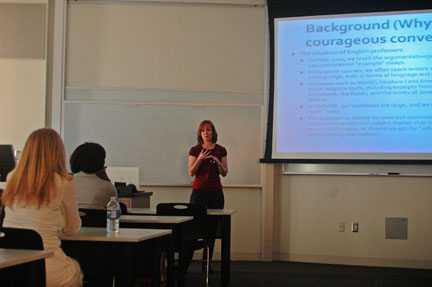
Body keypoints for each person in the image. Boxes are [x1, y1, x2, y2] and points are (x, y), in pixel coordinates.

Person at [1, 128, 82, 287]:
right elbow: (72, 228)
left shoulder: (12, 178)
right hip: (47, 268)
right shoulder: (64, 182)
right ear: (58, 152)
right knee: (76, 269)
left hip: (11, 268)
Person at [188, 120, 228, 272]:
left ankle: (206, 263)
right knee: (193, 228)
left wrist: (218, 162)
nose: (206, 132)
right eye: (203, 130)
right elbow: (191, 172)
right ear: (200, 134)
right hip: (198, 193)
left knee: (212, 230)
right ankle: (187, 263)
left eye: (209, 130)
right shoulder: (195, 150)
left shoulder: (221, 150)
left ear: (213, 132)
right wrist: (199, 159)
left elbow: (224, 172)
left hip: (215, 194)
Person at [69, 142, 117, 210]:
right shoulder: (107, 187)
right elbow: (115, 213)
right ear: (100, 163)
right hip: (96, 220)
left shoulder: (64, 184)